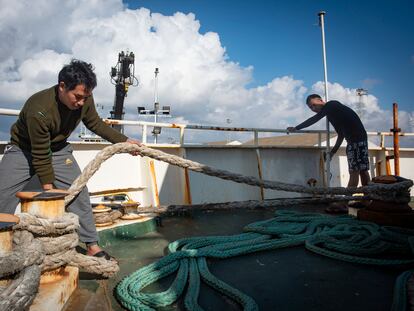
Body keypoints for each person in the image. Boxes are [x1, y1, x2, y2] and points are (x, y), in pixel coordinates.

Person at [0, 59, 141, 260]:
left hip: (58, 150)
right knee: (1, 196)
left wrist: (125, 142)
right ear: (62, 87)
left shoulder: (84, 97)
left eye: (86, 97)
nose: (81, 102)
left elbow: (95, 124)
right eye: (78, 97)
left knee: (79, 194)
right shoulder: (38, 108)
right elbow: (40, 154)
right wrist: (50, 192)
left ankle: (92, 245)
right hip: (23, 149)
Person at [287, 94, 371, 213]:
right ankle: (366, 201)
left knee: (354, 171)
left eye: (314, 105)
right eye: (311, 107)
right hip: (357, 139)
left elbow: (315, 118)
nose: (313, 108)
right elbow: (341, 134)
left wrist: (296, 128)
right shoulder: (332, 115)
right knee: (362, 170)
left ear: (321, 100)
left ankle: (344, 203)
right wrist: (332, 152)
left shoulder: (332, 104)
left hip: (356, 140)